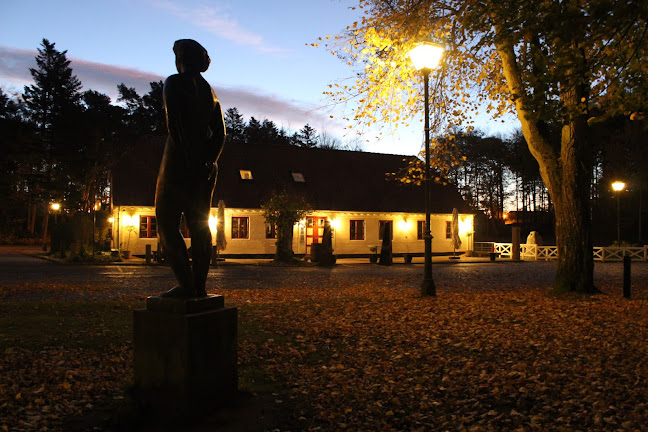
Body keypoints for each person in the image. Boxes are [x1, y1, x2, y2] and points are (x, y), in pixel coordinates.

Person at [155, 39, 226, 298]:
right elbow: (220, 133)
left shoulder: (174, 83)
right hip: (206, 167)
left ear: (181, 58)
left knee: (166, 221)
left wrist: (189, 159)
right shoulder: (210, 93)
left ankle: (186, 285)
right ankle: (199, 287)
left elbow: (174, 124)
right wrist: (209, 160)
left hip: (178, 162)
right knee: (199, 226)